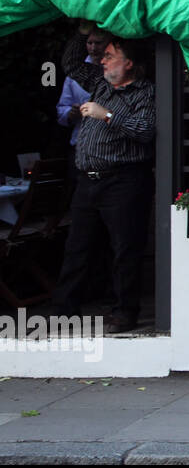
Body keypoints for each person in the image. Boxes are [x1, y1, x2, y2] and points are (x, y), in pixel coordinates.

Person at [51, 36, 156, 334]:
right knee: (77, 248)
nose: (102, 60)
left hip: (123, 180)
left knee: (125, 248)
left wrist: (107, 114)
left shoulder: (145, 92)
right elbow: (71, 64)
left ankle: (125, 312)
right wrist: (82, 30)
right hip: (88, 180)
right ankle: (64, 313)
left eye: (110, 55)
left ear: (129, 63)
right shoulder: (100, 82)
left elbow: (145, 130)